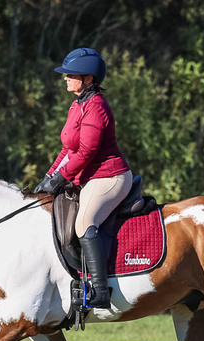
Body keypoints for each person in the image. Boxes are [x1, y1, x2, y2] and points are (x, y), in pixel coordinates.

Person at [35, 48, 133, 309]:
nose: (65, 78)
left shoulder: (96, 106)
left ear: (88, 78)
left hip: (109, 176)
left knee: (84, 223)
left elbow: (87, 151)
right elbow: (68, 149)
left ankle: (100, 291)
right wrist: (50, 175)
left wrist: (62, 176)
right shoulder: (77, 104)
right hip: (87, 176)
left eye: (71, 74)